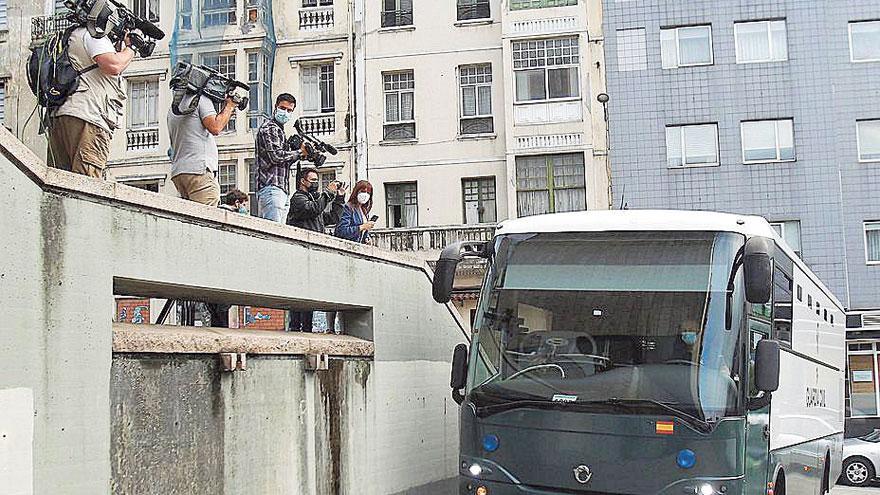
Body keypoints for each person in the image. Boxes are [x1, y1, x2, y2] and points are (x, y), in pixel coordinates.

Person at [48, 9, 136, 178]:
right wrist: (132, 48)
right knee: (88, 186)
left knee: (61, 184)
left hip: (63, 114)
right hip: (89, 117)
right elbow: (114, 65)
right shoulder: (94, 35)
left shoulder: (72, 36)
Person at [286, 168, 345, 331]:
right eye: (312, 180)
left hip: (313, 255)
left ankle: (306, 329)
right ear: (302, 181)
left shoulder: (314, 201)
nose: (315, 183)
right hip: (300, 254)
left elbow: (332, 218)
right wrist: (327, 193)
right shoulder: (298, 199)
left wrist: (339, 198)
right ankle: (295, 329)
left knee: (309, 294)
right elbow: (312, 209)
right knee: (299, 296)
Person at [167, 89, 236, 207]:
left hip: (180, 171)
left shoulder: (174, 107)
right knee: (207, 220)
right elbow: (216, 127)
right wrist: (229, 106)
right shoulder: (201, 100)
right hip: (199, 170)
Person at [254, 93, 309, 222]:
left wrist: (302, 155)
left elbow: (282, 162)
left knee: (279, 234)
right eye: (283, 108)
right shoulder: (270, 128)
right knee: (273, 235)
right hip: (271, 187)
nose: (285, 112)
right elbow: (276, 156)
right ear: (275, 107)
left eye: (289, 110)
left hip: (281, 189)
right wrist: (300, 152)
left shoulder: (279, 130)